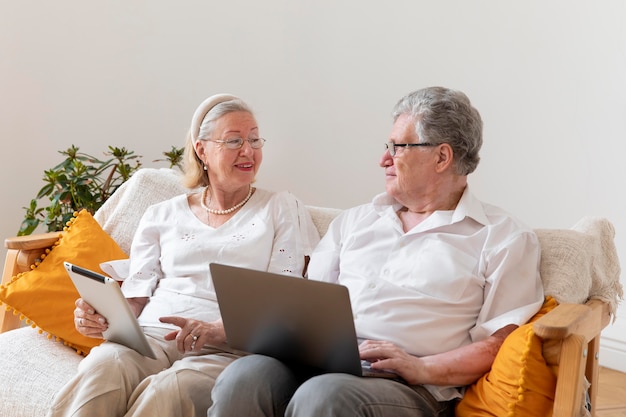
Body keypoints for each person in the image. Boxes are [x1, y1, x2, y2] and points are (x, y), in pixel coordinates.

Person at [207, 86, 545, 417]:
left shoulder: (501, 237)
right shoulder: (356, 221)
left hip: (407, 386)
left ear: (442, 156)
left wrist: (420, 367)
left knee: (324, 396)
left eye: (398, 147)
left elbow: (500, 344)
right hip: (320, 362)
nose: (384, 159)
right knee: (243, 377)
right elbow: (310, 302)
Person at [46, 94, 320, 417]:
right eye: (234, 141)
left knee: (168, 391)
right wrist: (102, 316)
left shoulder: (281, 208)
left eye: (254, 139)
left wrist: (218, 329)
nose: (248, 151)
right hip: (151, 338)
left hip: (225, 348)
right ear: (201, 150)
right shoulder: (161, 214)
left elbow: (283, 297)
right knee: (104, 367)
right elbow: (135, 295)